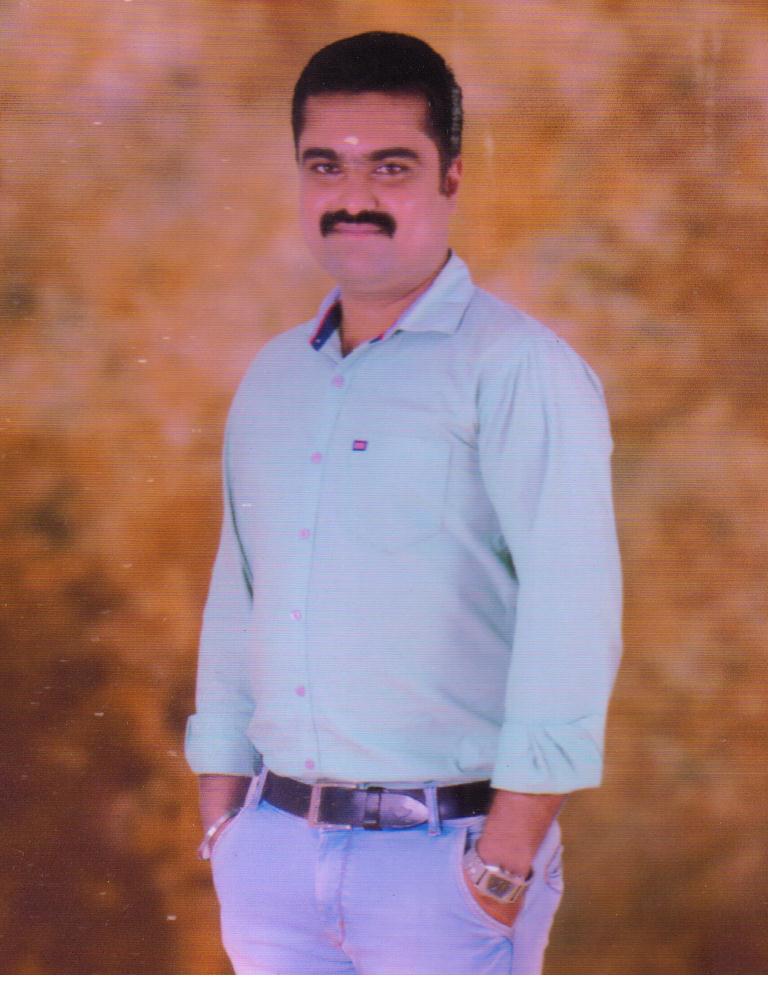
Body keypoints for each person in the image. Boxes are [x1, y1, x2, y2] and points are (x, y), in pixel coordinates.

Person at [184, 30, 622, 975]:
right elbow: (237, 595)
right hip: (271, 858)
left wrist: (503, 861)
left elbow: (573, 615)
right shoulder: (272, 379)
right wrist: (223, 809)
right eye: (325, 165)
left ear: (451, 175)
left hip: (446, 866)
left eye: (391, 166)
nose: (354, 196)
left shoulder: (518, 370)